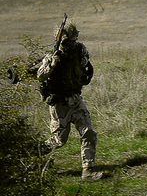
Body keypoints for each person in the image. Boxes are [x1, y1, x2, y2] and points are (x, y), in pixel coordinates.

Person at [36, 22, 103, 179]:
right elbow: (40, 76)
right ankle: (36, 151)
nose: (71, 45)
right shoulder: (52, 56)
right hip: (60, 104)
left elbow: (85, 67)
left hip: (75, 99)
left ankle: (87, 170)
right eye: (68, 42)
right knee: (59, 140)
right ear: (61, 40)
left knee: (88, 133)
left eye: (73, 41)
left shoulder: (80, 50)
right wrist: (51, 66)